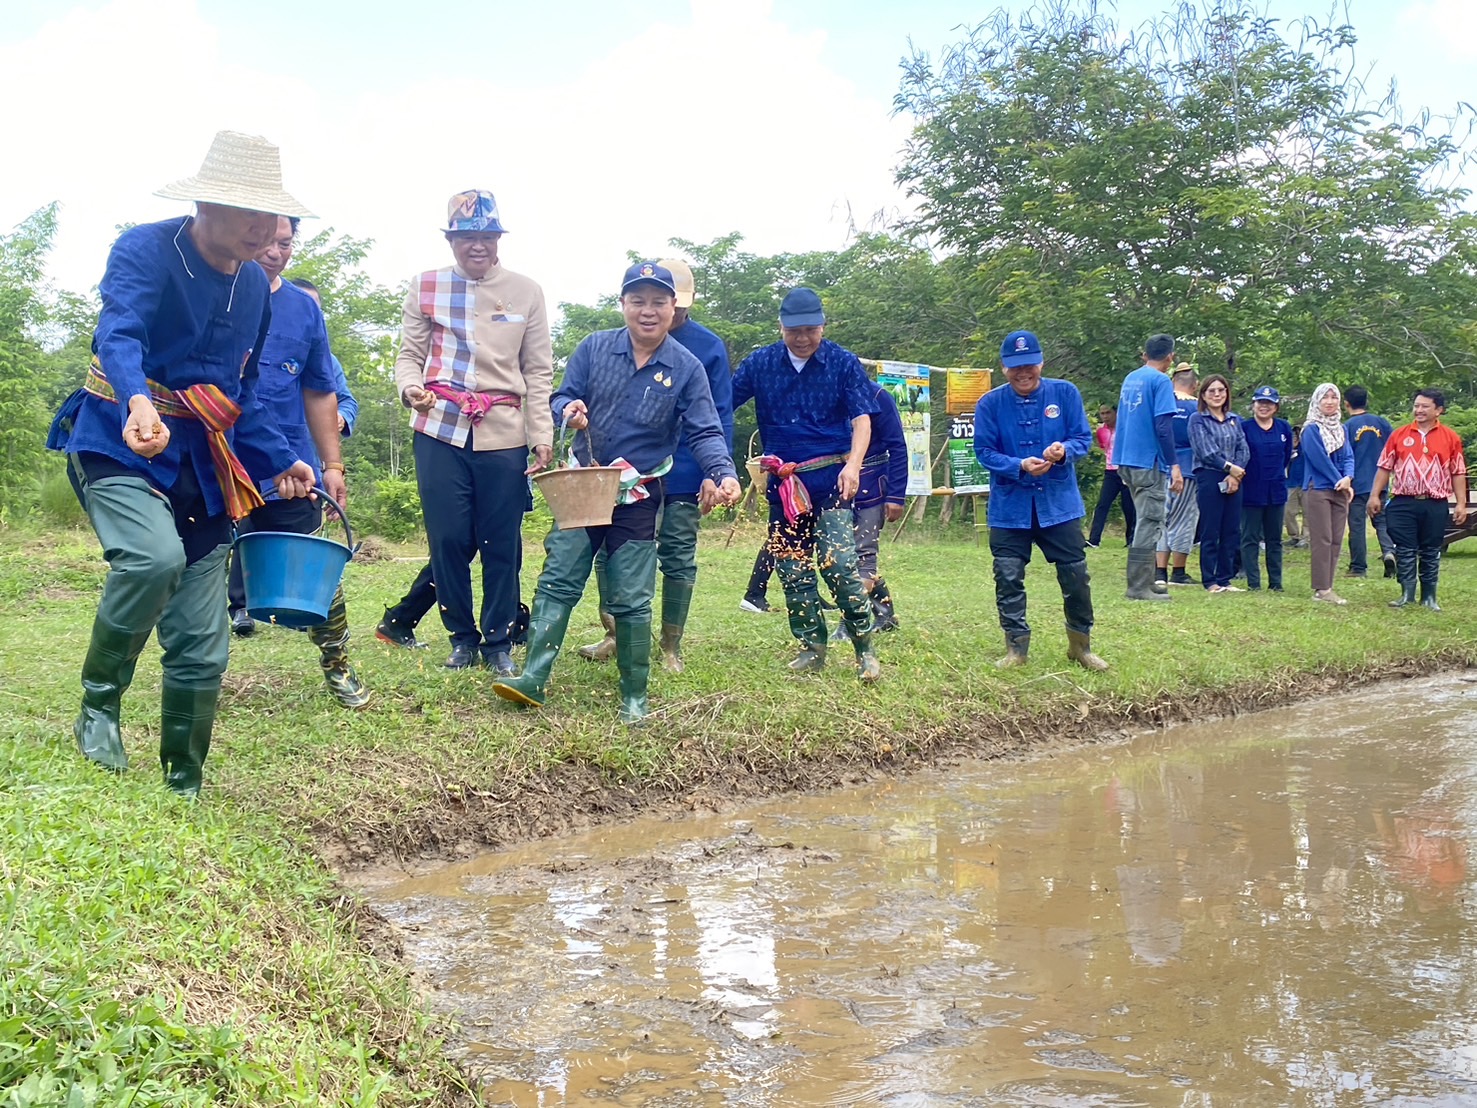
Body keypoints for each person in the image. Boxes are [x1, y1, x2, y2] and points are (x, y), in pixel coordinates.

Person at [46, 130, 317, 798]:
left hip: (202, 462)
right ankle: (98, 705)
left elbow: (241, 395)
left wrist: (284, 459)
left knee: (204, 640)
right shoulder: (146, 249)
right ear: (206, 204)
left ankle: (183, 781)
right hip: (118, 439)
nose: (266, 229)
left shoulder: (257, 286)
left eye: (272, 217)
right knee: (152, 558)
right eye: (251, 213)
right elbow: (119, 333)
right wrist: (139, 400)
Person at [491, 262, 740, 723]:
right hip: (583, 483)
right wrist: (571, 409)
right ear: (623, 304)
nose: (648, 311)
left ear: (673, 307)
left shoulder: (686, 367)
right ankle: (533, 677)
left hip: (639, 491)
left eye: (658, 302)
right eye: (638, 300)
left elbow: (706, 430)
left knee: (631, 593)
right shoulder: (594, 348)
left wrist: (723, 471)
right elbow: (560, 396)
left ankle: (634, 695)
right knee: (560, 577)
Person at [393, 189, 554, 675]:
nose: (476, 246)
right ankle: (460, 638)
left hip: (504, 432)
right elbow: (408, 355)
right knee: (447, 539)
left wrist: (541, 434)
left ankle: (498, 640)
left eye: (486, 236)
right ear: (451, 240)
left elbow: (539, 369)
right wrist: (410, 388)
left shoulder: (527, 291)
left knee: (502, 540)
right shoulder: (425, 286)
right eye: (466, 237)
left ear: (498, 238)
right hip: (439, 427)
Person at [222, 217, 369, 708]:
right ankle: (200, 672)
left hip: (290, 470)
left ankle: (338, 664)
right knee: (197, 565)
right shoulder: (211, 294)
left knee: (313, 567)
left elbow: (319, 390)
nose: (274, 250)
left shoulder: (304, 310)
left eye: (285, 242)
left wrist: (332, 465)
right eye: (266, 239)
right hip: (211, 460)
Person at [577, 258, 733, 673]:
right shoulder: (614, 343)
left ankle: (670, 646)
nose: (662, 311)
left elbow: (719, 416)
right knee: (611, 552)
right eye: (643, 301)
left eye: (670, 303)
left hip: (683, 470)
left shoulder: (705, 348)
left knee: (678, 554)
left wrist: (714, 474)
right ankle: (615, 633)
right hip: (624, 473)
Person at [731, 288, 883, 679]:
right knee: (791, 567)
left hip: (832, 479)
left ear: (823, 326)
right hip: (784, 483)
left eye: (810, 330)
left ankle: (864, 647)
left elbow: (863, 418)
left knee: (839, 565)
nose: (802, 338)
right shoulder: (760, 363)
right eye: (794, 330)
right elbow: (719, 403)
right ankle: (811, 647)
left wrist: (853, 465)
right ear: (780, 327)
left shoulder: (843, 363)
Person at [974, 330, 1107, 670]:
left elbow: (1081, 438)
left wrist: (1063, 452)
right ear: (1004, 367)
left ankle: (1081, 645)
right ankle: (1016, 649)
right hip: (1009, 507)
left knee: (1075, 576)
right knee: (1007, 576)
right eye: (1015, 367)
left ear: (1041, 362)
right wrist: (1017, 465)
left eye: (1030, 365)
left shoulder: (1065, 393)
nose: (1023, 373)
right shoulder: (990, 403)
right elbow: (984, 451)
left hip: (1059, 505)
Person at [1370, 388, 1468, 610]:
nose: (1419, 410)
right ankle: (1407, 593)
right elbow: (1384, 467)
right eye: (1416, 405)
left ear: (1438, 410)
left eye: (1425, 406)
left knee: (1431, 549)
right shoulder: (1399, 434)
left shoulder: (1450, 437)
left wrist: (1461, 503)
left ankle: (1429, 597)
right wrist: (1375, 495)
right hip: (1404, 501)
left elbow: (1458, 471)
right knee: (1404, 549)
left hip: (1435, 502)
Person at [832, 381, 908, 641]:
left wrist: (896, 495)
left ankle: (850, 621)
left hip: (871, 485)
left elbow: (897, 446)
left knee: (863, 556)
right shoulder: (821, 392)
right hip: (832, 483)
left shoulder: (878, 396)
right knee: (838, 556)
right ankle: (884, 613)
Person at [1112, 334, 1185, 601]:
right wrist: (1174, 465)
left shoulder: (1132, 378)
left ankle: (1144, 582)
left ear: (1145, 354)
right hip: (1148, 460)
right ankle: (1139, 586)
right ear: (1170, 357)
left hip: (1126, 458)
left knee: (1144, 518)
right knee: (1150, 520)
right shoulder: (1161, 381)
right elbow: (1163, 427)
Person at [1187, 374, 1249, 593]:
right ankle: (1210, 580)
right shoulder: (1198, 419)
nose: (1216, 394)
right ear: (1203, 394)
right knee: (1210, 530)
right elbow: (1205, 451)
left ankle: (1225, 578)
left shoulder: (1234, 419)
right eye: (1211, 391)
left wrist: (1235, 474)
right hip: (1210, 476)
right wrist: (1228, 468)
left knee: (1231, 529)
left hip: (1234, 478)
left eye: (1221, 390)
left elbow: (1243, 448)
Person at [1300, 383, 1355, 604]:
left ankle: (1328, 585)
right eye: (1325, 397)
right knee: (1322, 539)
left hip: (1341, 489)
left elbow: (1349, 456)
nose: (1330, 401)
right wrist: (1338, 480)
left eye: (1334, 397)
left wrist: (1348, 478)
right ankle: (1322, 589)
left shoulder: (1342, 429)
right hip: (1319, 488)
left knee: (1335, 539)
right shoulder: (1310, 429)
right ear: (1317, 401)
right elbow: (1318, 459)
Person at [1238, 386, 1293, 592]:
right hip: (1251, 490)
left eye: (1269, 403)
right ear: (1253, 404)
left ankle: (1276, 583)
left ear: (1276, 407)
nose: (1264, 406)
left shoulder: (1284, 428)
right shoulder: (1244, 427)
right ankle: (1253, 582)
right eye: (1260, 402)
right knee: (1250, 538)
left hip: (1276, 490)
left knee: (1274, 539)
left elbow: (1286, 456)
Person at [1342, 385, 1396, 579]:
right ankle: (1389, 552)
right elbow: (1393, 449)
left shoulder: (1347, 427)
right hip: (1379, 482)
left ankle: (1358, 567)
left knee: (1357, 526)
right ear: (1367, 401)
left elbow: (1342, 455)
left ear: (1346, 403)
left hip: (1356, 484)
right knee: (1381, 522)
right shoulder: (1382, 423)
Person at [1157, 362, 1201, 588]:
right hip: (1187, 468)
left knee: (1160, 519)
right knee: (1184, 519)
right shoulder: (1197, 408)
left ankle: (1159, 571)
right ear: (1195, 385)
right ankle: (1179, 570)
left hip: (1159, 466)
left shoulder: (1162, 403)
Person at [1086, 403, 1136, 547]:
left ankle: (1131, 540)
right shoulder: (1102, 430)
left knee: (1128, 506)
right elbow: (1104, 447)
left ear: (1115, 412)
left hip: (1126, 469)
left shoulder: (1126, 427)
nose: (1105, 416)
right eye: (1102, 413)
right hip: (1110, 471)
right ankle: (1094, 539)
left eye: (1108, 412)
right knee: (1102, 504)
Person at [1284, 424, 1306, 547]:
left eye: (1296, 437)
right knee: (1288, 512)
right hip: (1290, 483)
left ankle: (1306, 538)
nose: (1294, 440)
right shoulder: (1286, 449)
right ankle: (1294, 536)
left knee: (1308, 512)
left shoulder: (1305, 448)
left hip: (1305, 483)